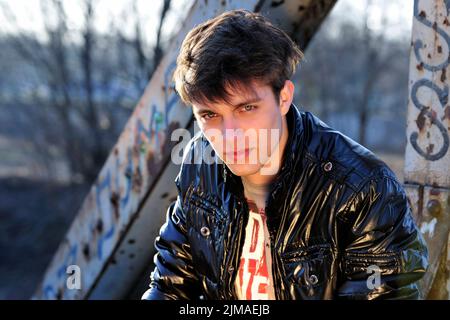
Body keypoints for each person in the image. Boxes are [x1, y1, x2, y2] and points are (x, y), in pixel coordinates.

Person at [141, 9, 428, 300]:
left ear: (284, 98)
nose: (228, 135)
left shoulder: (364, 188)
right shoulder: (200, 162)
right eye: (210, 115)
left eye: (246, 108)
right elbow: (169, 286)